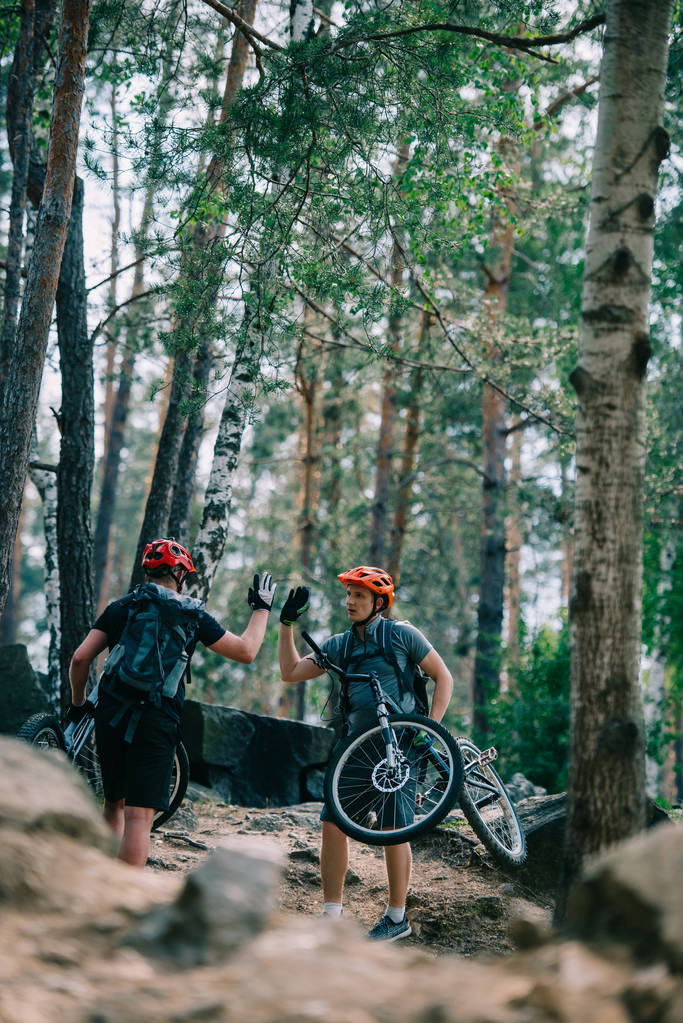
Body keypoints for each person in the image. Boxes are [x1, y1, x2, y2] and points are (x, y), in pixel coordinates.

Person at [69, 538, 275, 867]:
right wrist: (262, 608)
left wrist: (79, 702)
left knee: (112, 805)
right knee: (139, 819)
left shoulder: (122, 607)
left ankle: (99, 883)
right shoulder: (194, 616)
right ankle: (123, 897)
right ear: (179, 573)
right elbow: (246, 651)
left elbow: (80, 659)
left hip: (111, 713)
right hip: (158, 718)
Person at [278, 565, 453, 942]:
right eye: (348, 594)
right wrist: (287, 623)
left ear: (379, 601)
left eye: (359, 595)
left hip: (402, 741)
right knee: (332, 821)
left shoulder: (402, 634)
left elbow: (444, 677)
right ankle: (332, 914)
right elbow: (290, 672)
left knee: (394, 826)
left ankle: (396, 917)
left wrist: (429, 731)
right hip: (356, 744)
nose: (350, 601)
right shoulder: (341, 644)